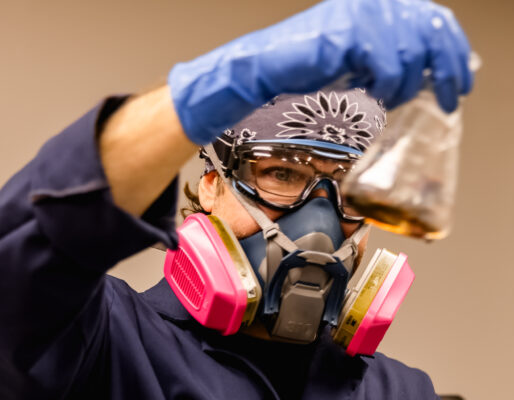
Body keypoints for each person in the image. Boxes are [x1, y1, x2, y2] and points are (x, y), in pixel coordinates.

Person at [0, 0, 473, 399]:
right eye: (282, 172)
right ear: (212, 184)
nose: (319, 218)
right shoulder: (105, 341)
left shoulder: (400, 390)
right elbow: (23, 261)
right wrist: (222, 84)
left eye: (349, 187)